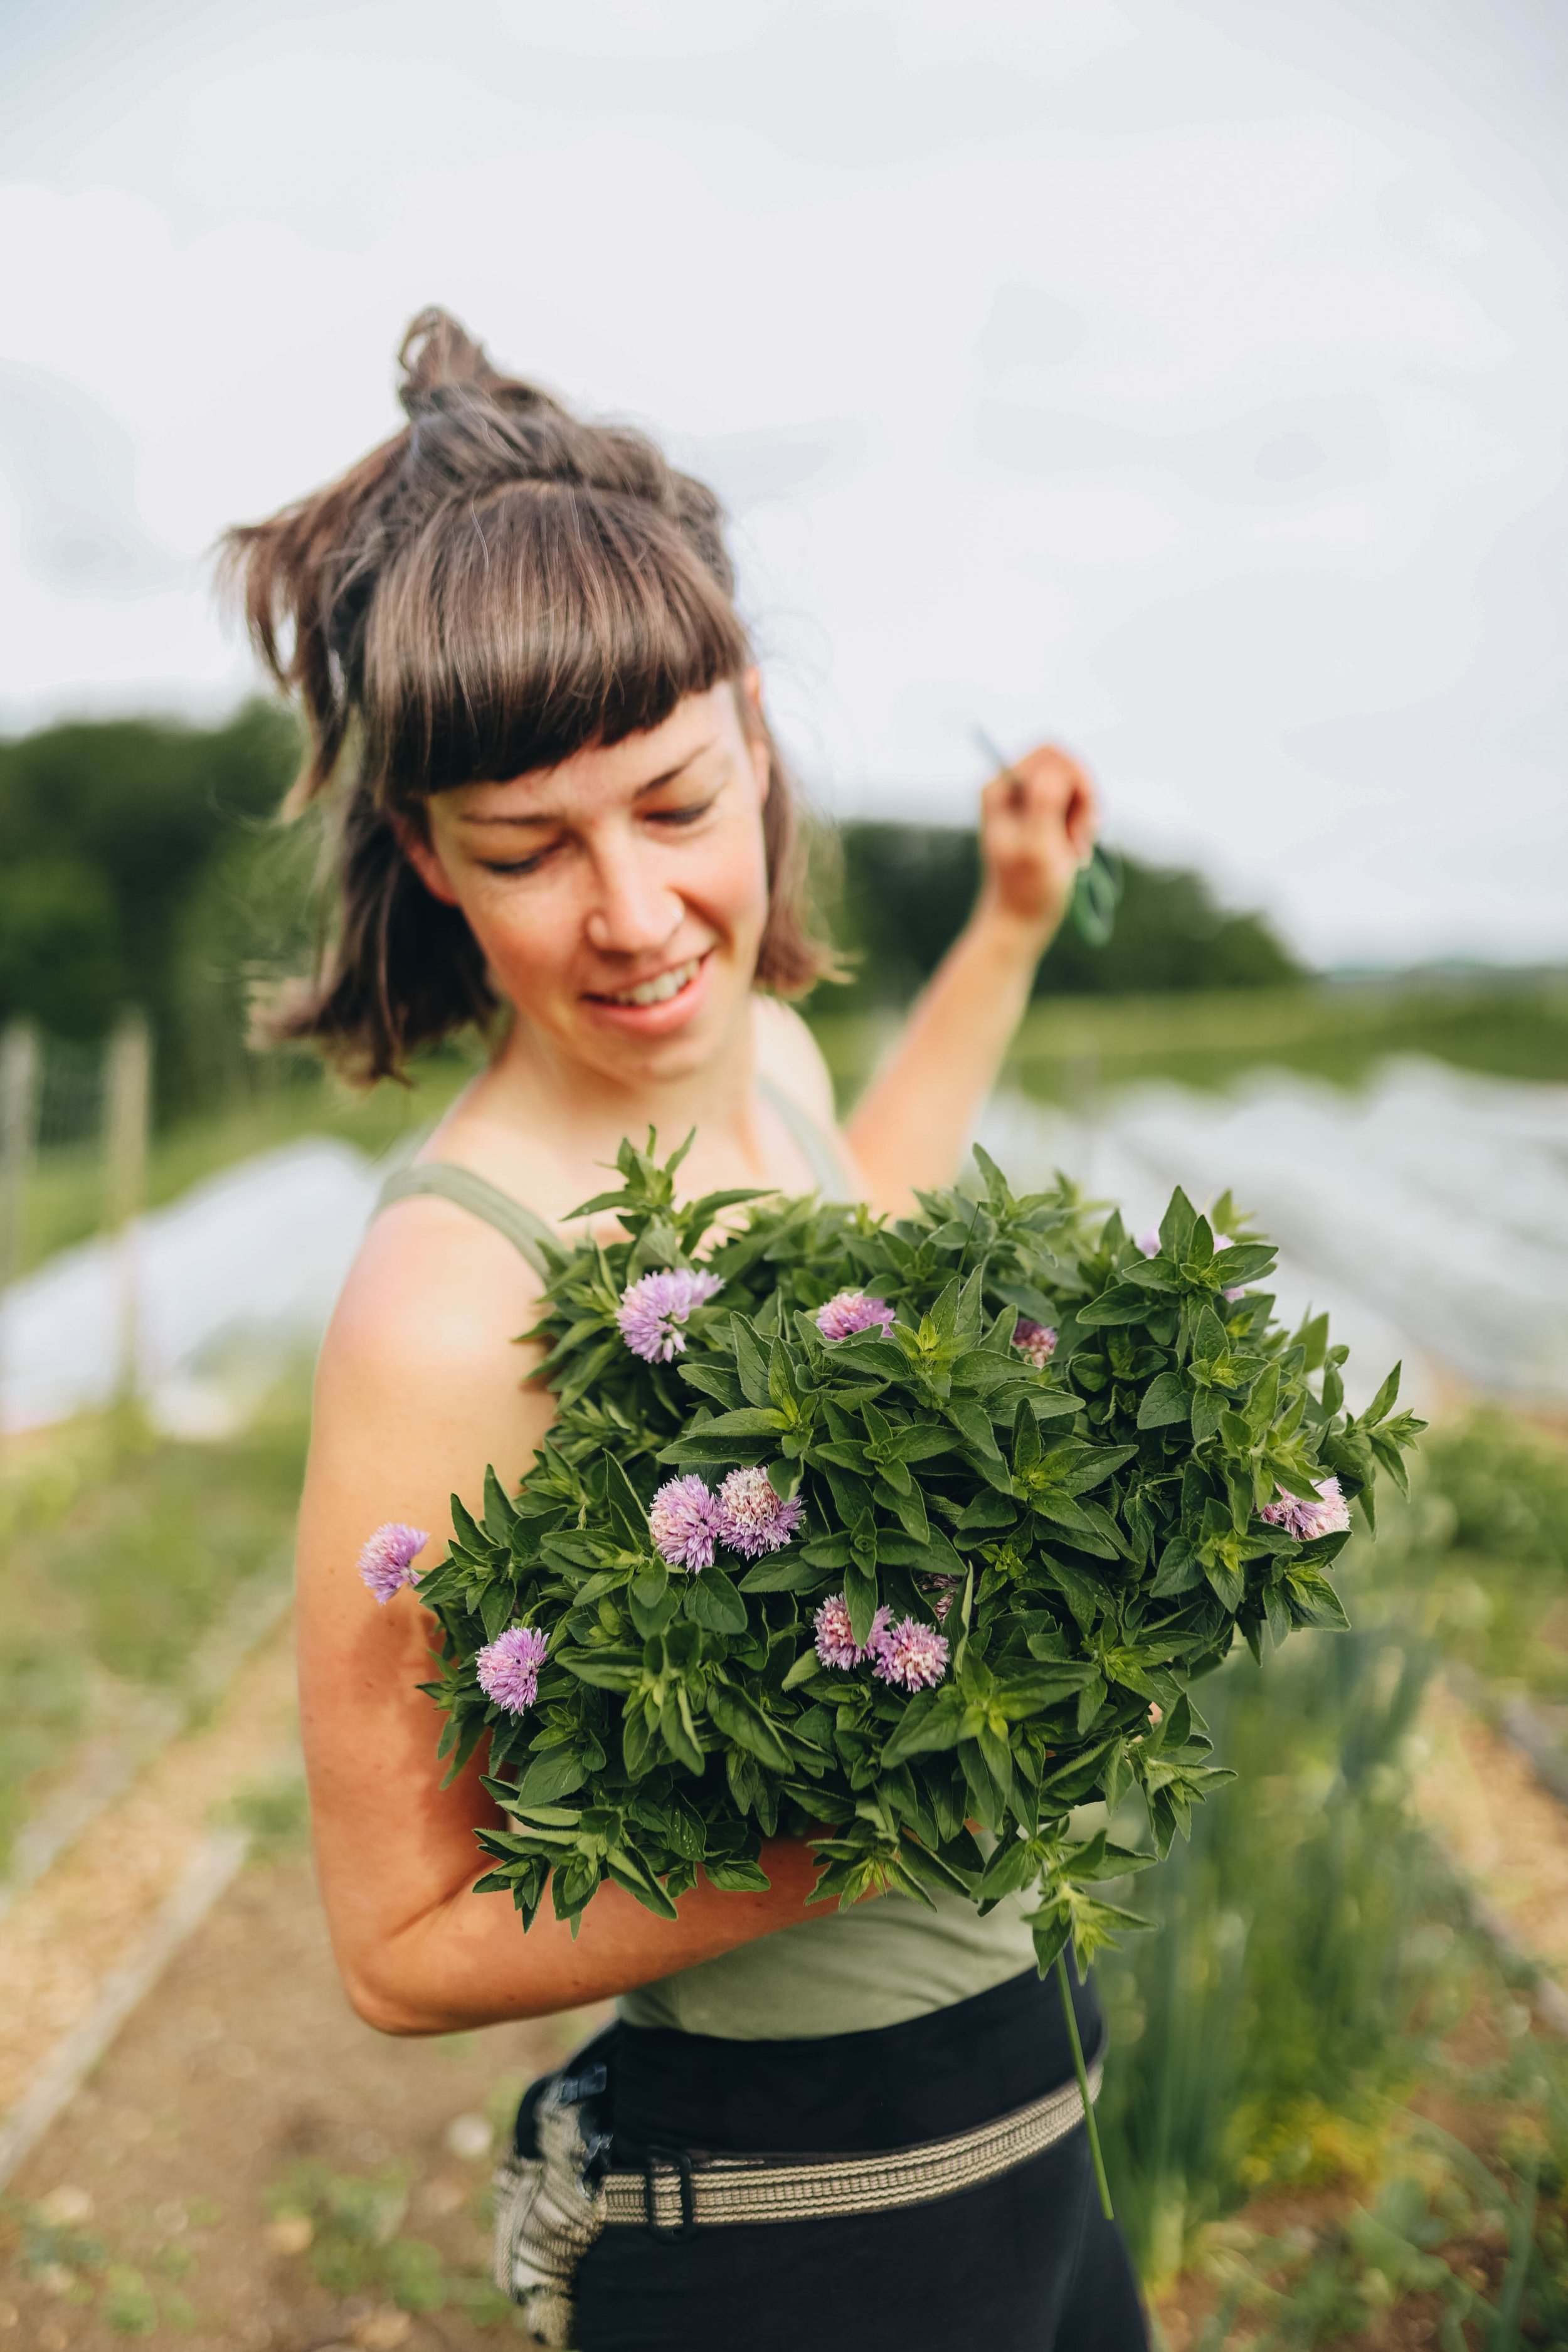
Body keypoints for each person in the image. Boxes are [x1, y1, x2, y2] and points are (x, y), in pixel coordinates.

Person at [227, 309, 1148, 2352]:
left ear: (757, 742)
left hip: (1044, 2120)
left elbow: (859, 1224)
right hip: (791, 2210)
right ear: (424, 863)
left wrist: (1005, 924)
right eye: (527, 851)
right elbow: (395, 1944)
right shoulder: (450, 1292)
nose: (633, 916)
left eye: (673, 803)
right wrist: (884, 1826)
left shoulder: (784, 1054)